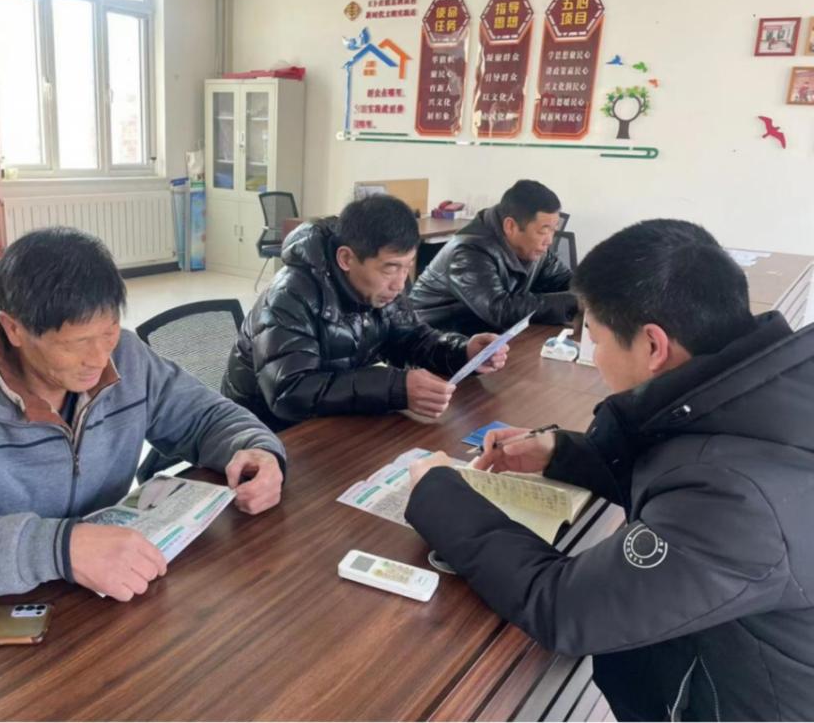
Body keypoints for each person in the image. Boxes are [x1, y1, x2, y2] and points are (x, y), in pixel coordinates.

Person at [405, 219, 814, 721]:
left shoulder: (741, 502)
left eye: (594, 339)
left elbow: (565, 608)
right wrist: (562, 453)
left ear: (652, 346)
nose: (594, 357)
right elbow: (689, 460)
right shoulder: (767, 397)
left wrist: (438, 491)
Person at [0, 228, 286, 604]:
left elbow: (205, 417)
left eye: (109, 331)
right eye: (75, 343)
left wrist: (255, 449)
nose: (99, 359)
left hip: (97, 595)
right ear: (14, 329)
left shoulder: (126, 356)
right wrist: (58, 549)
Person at [221, 194, 507, 431]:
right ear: (346, 258)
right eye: (390, 268)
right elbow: (289, 392)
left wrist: (463, 351)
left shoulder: (383, 287)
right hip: (264, 435)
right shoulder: (289, 296)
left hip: (331, 419)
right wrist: (395, 387)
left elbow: (412, 339)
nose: (400, 283)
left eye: (407, 266)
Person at [409, 179, 577, 336]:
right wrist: (576, 301)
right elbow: (500, 310)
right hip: (433, 341)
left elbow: (567, 281)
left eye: (553, 230)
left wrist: (587, 295)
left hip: (485, 337)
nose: (549, 240)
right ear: (510, 226)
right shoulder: (468, 251)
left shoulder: (534, 250)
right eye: (543, 231)